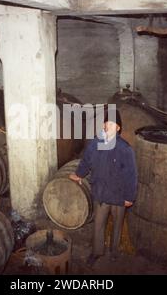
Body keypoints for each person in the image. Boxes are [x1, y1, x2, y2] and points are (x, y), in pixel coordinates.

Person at [69, 108, 138, 266]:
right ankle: (97, 252)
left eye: (113, 124)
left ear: (118, 128)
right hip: (101, 193)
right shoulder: (95, 143)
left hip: (119, 195)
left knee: (117, 224)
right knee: (98, 224)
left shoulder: (125, 149)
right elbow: (86, 161)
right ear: (103, 125)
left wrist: (129, 197)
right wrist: (79, 175)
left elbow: (131, 175)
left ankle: (114, 251)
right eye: (107, 123)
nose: (109, 126)